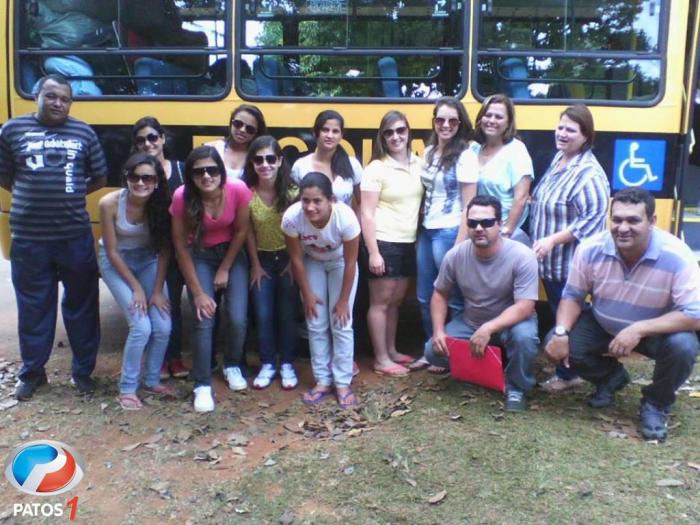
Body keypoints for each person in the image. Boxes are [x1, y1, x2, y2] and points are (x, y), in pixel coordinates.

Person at [545, 188, 700, 441]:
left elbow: (695, 315)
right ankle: (611, 377)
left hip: (654, 330)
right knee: (556, 340)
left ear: (652, 222)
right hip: (602, 323)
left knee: (683, 346)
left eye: (633, 220)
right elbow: (572, 296)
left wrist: (638, 329)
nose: (622, 227)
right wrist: (561, 332)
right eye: (617, 220)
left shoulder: (677, 255)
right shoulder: (591, 248)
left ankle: (656, 404)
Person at [0, 74, 107, 401]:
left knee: (82, 305)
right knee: (34, 307)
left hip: (74, 236)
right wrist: (32, 197)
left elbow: (100, 175)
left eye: (64, 98)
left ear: (70, 103)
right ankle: (33, 373)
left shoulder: (83, 132)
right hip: (30, 239)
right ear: (37, 96)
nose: (58, 103)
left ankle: (83, 373)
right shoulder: (12, 130)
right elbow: (4, 175)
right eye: (51, 96)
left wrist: (70, 194)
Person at [422, 195, 540, 412]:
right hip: (471, 322)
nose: (479, 228)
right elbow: (439, 294)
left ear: (499, 223)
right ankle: (488, 369)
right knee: (432, 351)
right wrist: (438, 331)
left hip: (510, 323)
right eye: (472, 223)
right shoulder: (455, 255)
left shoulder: (522, 256)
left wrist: (489, 328)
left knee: (524, 337)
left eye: (486, 223)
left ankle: (517, 387)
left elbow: (525, 306)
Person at [530, 105, 610, 393]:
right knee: (557, 315)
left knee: (571, 322)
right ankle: (568, 368)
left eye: (571, 130)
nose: (562, 134)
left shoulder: (589, 174)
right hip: (551, 265)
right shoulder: (559, 159)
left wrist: (552, 240)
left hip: (570, 266)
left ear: (586, 136)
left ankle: (571, 374)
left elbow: (591, 222)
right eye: (561, 127)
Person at [170, 146, 252, 412]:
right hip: (200, 254)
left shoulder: (237, 189)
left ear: (221, 171)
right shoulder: (182, 197)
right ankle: (202, 384)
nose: (206, 176)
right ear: (190, 175)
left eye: (212, 170)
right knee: (204, 317)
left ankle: (232, 365)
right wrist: (198, 293)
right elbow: (181, 246)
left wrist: (225, 268)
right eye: (199, 171)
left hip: (231, 252)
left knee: (238, 317)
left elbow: (241, 231)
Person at [98, 153, 177, 410]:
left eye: (147, 178)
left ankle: (152, 379)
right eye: (134, 177)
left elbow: (164, 250)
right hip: (116, 262)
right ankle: (128, 389)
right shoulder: (109, 203)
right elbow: (111, 251)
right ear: (126, 178)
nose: (140, 183)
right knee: (141, 326)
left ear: (156, 182)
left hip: (148, 260)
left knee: (163, 325)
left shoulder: (163, 205)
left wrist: (155, 291)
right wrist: (136, 289)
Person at [282, 172, 361, 409]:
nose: (310, 207)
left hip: (340, 263)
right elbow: (296, 259)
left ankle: (343, 382)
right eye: (305, 200)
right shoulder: (292, 218)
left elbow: (350, 262)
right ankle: (322, 381)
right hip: (312, 262)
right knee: (315, 322)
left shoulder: (345, 218)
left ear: (331, 200)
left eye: (317, 201)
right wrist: (306, 293)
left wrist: (343, 300)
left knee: (341, 322)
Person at [413, 96, 478, 372]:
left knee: (453, 296)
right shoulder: (428, 153)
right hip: (427, 231)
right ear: (434, 122)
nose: (446, 125)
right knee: (425, 295)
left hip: (450, 231)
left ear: (460, 123)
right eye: (440, 119)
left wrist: (460, 244)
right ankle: (433, 350)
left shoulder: (465, 156)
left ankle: (457, 355)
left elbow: (469, 205)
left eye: (452, 120)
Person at [361, 111, 424, 376]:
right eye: (389, 132)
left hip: (408, 242)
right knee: (380, 303)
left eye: (400, 130)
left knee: (396, 301)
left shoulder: (419, 164)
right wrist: (374, 252)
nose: (395, 137)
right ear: (382, 137)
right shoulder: (376, 168)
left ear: (408, 132)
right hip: (384, 241)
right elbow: (366, 212)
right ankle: (381, 359)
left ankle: (392, 350)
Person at [131, 116, 189, 380]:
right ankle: (163, 357)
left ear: (163, 138)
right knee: (163, 303)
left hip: (183, 248)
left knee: (174, 302)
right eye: (141, 140)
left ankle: (174, 356)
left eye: (152, 137)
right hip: (155, 250)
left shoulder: (180, 169)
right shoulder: (138, 174)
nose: (148, 143)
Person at [242, 136, 300, 390]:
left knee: (287, 313)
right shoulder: (246, 193)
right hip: (261, 259)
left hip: (289, 258)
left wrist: (294, 261)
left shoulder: (293, 192)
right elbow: (248, 232)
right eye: (258, 159)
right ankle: (268, 363)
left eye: (270, 159)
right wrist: (255, 264)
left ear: (279, 161)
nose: (264, 164)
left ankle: (287, 362)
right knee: (263, 313)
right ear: (252, 163)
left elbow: (300, 230)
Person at [470, 94, 533, 245]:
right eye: (488, 115)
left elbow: (522, 197)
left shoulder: (516, 150)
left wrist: (507, 231)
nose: (492, 120)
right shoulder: (474, 149)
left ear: (508, 123)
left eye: (498, 117)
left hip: (504, 234)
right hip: (478, 230)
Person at [290, 110, 363, 210]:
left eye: (335, 131)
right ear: (315, 133)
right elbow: (294, 206)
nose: (330, 136)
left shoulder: (353, 165)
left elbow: (362, 203)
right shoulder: (301, 166)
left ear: (341, 136)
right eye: (325, 130)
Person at [206, 104, 268, 179]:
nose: (242, 130)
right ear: (231, 123)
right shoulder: (211, 148)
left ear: (257, 133)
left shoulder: (260, 157)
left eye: (250, 129)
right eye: (238, 124)